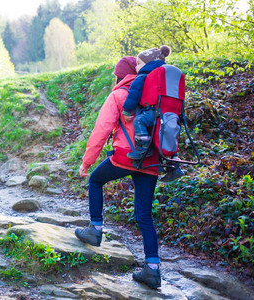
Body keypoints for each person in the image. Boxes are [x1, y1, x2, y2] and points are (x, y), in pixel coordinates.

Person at [74, 56, 162, 289]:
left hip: (126, 156)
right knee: (144, 215)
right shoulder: (154, 93)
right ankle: (152, 270)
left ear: (119, 75)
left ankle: (95, 229)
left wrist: (86, 162)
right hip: (152, 159)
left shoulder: (119, 95)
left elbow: (101, 131)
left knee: (95, 180)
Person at [122, 46, 183, 182]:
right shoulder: (166, 75)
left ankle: (143, 149)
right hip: (172, 114)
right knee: (168, 136)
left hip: (155, 111)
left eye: (138, 64)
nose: (136, 68)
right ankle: (174, 164)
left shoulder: (144, 74)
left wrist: (126, 110)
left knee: (139, 121)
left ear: (148, 63)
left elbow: (134, 92)